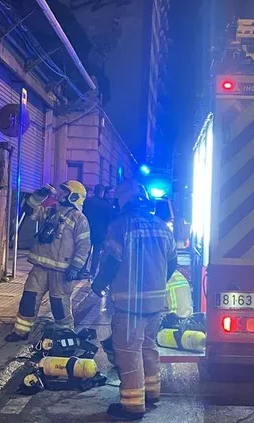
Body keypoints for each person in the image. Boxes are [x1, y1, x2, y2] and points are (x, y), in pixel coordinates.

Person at [91, 180, 177, 421]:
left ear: (124, 200)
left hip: (129, 305)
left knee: (128, 351)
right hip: (155, 303)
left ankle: (132, 405)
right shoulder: (161, 225)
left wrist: (98, 285)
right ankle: (152, 392)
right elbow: (172, 263)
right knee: (148, 347)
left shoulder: (120, 226)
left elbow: (111, 260)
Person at [5, 180, 91, 342]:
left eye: (65, 192)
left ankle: (65, 334)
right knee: (29, 298)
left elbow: (84, 245)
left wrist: (76, 266)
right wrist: (39, 196)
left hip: (62, 271)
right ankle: (21, 331)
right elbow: (29, 210)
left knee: (59, 303)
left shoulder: (79, 218)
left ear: (74, 196)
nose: (61, 194)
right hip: (40, 268)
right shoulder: (51, 212)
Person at [83, 184, 113, 277]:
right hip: (100, 232)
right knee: (97, 252)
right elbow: (109, 219)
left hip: (88, 229)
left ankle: (82, 270)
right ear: (103, 192)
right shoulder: (106, 205)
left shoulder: (87, 202)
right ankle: (92, 272)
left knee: (85, 251)